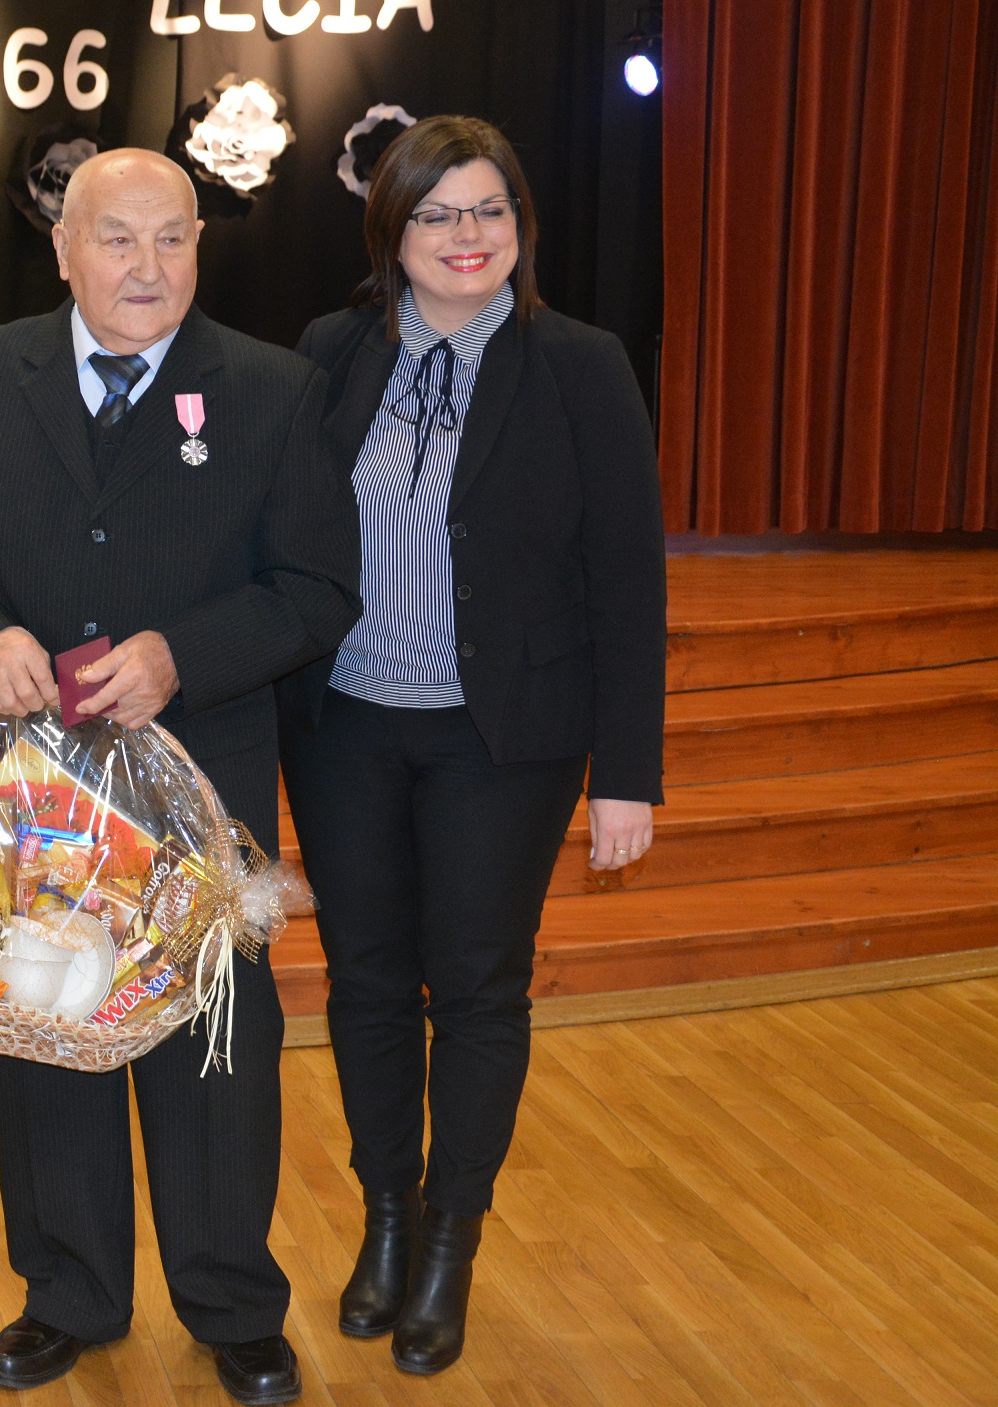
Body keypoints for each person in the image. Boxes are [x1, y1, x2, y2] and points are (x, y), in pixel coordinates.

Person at [0, 149, 361, 1406]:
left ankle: (233, 1303)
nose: (147, 266)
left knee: (214, 1048)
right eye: (117, 238)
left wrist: (181, 655)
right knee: (45, 1021)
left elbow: (318, 589)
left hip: (199, 785)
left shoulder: (273, 388)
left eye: (172, 238)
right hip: (24, 787)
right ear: (62, 249)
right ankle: (68, 1294)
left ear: (201, 246)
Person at [277, 115, 666, 1376]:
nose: (467, 235)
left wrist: (628, 777)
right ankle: (387, 1216)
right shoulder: (333, 351)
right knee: (368, 980)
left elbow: (628, 580)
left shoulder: (581, 365)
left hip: (507, 738)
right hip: (343, 725)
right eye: (438, 213)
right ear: (392, 232)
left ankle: (451, 1237)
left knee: (480, 986)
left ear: (521, 225)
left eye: (490, 209)